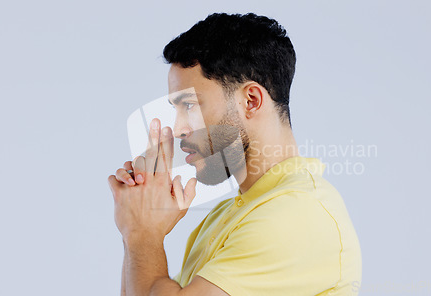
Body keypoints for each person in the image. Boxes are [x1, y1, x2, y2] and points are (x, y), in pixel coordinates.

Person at [108, 12, 362, 296]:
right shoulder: (227, 215)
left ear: (251, 101)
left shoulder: (297, 216)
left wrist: (142, 234)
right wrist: (138, 224)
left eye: (189, 105)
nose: (178, 128)